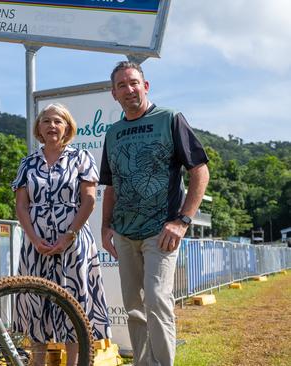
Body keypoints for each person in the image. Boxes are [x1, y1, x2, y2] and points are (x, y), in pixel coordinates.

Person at [100, 61, 210, 366]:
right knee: (134, 306)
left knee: (157, 300)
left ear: (145, 86)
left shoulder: (170, 119)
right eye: (121, 85)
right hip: (124, 232)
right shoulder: (113, 133)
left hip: (160, 231)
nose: (129, 89)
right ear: (114, 94)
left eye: (134, 82)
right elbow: (109, 186)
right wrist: (105, 227)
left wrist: (183, 220)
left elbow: (200, 171)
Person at [12, 103, 112, 365]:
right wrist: (34, 239)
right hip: (36, 243)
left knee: (74, 300)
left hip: (74, 241)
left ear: (67, 126)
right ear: (39, 128)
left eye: (58, 121)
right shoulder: (28, 162)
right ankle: (37, 361)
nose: (52, 126)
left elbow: (89, 200)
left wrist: (68, 235)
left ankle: (74, 363)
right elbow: (21, 205)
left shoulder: (82, 158)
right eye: (46, 121)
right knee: (35, 301)